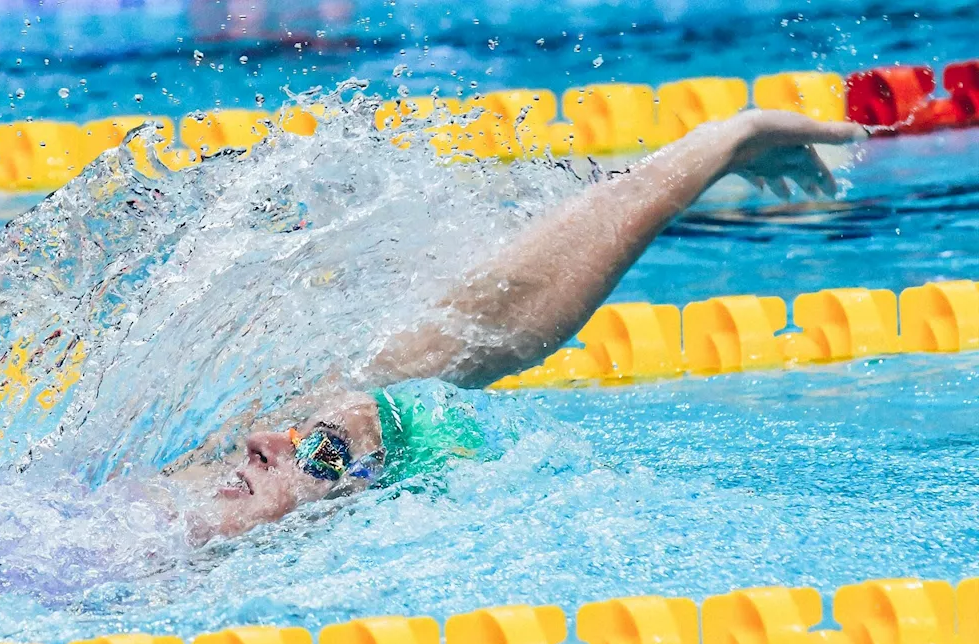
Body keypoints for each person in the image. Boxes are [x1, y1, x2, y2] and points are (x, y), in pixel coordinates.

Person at [176, 109, 868, 544]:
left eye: (323, 453)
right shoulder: (188, 499)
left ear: (357, 513)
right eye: (309, 442)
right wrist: (716, 148)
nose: (260, 441)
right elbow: (479, 329)